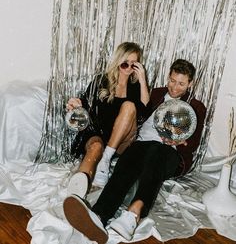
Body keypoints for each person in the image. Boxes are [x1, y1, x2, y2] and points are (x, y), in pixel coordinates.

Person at [63, 59, 206, 244]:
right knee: (128, 161)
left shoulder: (195, 106)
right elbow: (130, 107)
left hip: (170, 154)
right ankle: (98, 216)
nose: (175, 87)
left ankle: (133, 214)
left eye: (181, 83)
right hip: (142, 145)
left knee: (156, 151)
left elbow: (193, 144)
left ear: (190, 83)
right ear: (168, 77)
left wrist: (179, 140)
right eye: (172, 80)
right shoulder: (156, 94)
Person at [65, 42, 150, 198]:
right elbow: (85, 102)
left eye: (134, 65)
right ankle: (76, 194)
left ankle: (106, 157)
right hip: (99, 133)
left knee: (130, 106)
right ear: (118, 61)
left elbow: (144, 112)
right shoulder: (101, 81)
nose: (128, 68)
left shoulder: (135, 86)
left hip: (122, 140)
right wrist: (75, 104)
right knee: (96, 147)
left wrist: (142, 80)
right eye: (125, 63)